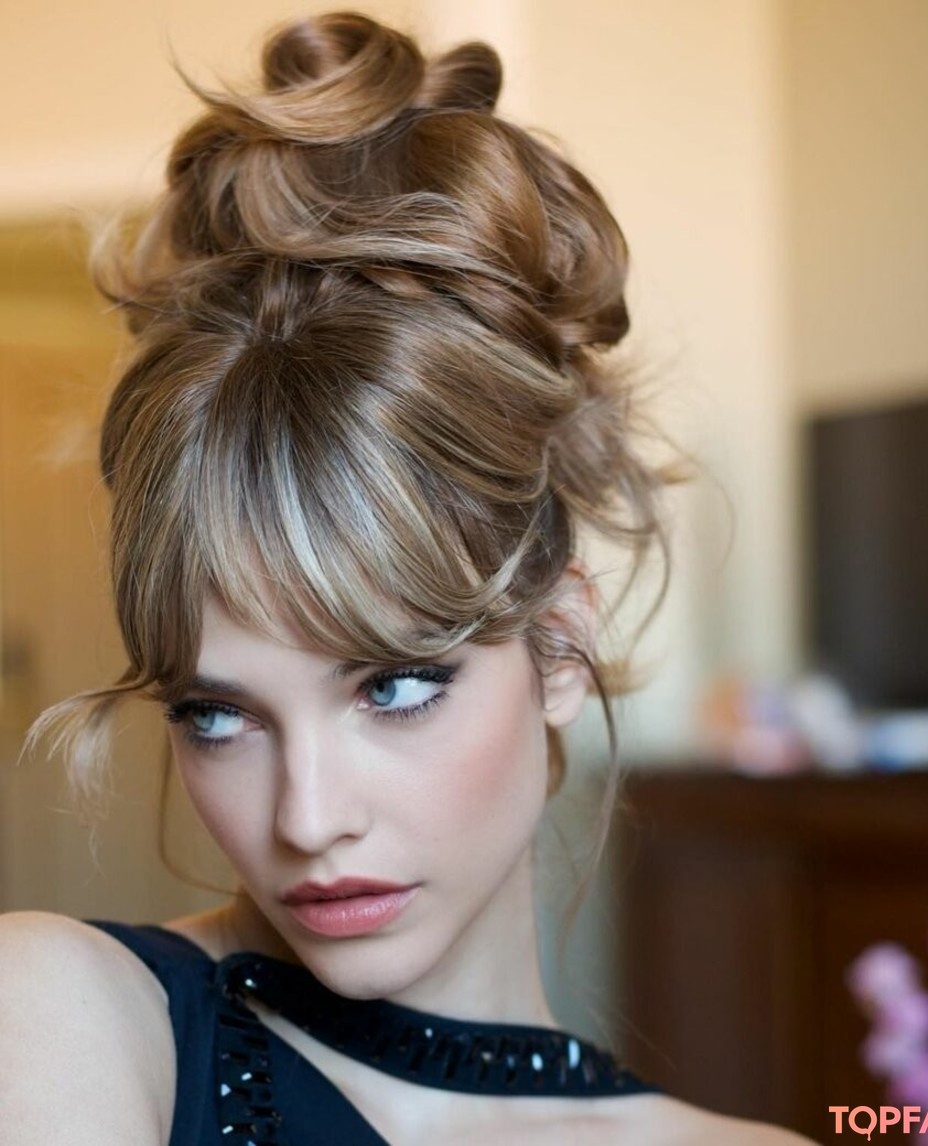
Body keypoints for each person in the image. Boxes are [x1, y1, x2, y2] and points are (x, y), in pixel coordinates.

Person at [0, 12, 811, 1145]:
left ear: (561, 643)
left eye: (392, 686)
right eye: (218, 715)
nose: (308, 820)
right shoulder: (60, 1017)